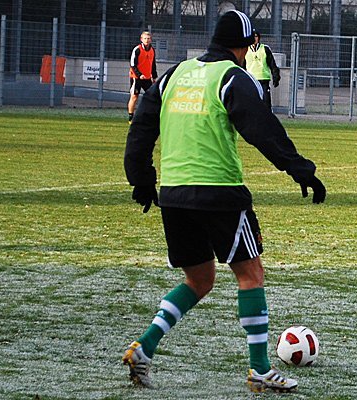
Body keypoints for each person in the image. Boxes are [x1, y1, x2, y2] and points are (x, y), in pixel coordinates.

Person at [122, 10, 326, 392]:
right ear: (245, 46)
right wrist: (301, 169)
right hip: (220, 194)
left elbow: (142, 127)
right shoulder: (231, 77)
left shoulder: (174, 74)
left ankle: (144, 347)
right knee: (251, 275)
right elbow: (262, 129)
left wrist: (142, 179)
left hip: (175, 195)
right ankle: (260, 370)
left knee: (199, 280)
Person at [244, 30, 281, 110]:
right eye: (252, 37)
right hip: (251, 80)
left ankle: (267, 116)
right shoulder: (246, 49)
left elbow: (272, 64)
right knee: (251, 102)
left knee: (266, 102)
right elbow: (242, 66)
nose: (254, 38)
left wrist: (276, 77)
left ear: (259, 38)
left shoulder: (265, 49)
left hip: (263, 80)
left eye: (256, 36)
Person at [128, 31, 158, 123]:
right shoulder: (137, 49)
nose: (147, 40)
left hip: (147, 78)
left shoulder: (152, 50)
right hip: (136, 78)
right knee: (134, 96)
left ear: (151, 40)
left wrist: (154, 76)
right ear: (141, 39)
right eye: (145, 38)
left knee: (152, 96)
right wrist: (139, 75)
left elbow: (153, 64)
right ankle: (131, 117)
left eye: (148, 38)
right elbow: (133, 64)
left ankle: (150, 116)